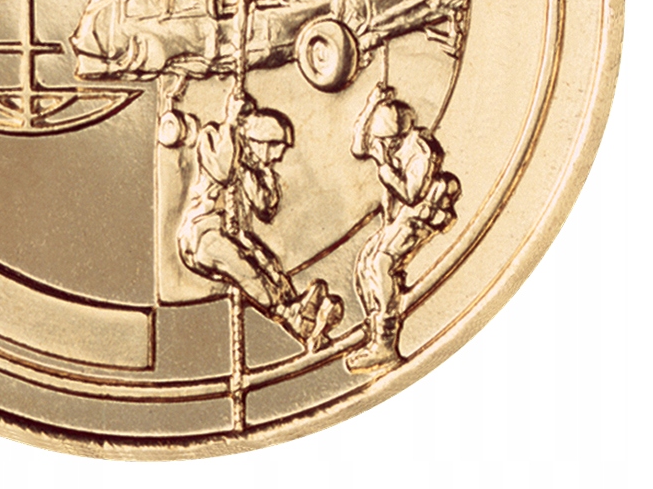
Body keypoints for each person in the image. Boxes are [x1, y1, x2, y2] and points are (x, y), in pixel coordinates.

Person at [162, 89, 342, 351]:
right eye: (276, 148)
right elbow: (222, 171)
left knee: (269, 266)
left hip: (235, 234)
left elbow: (265, 207)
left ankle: (302, 313)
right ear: (260, 141)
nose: (278, 156)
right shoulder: (213, 137)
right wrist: (231, 122)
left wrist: (262, 172)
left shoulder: (252, 166)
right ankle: (293, 317)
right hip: (202, 234)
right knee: (248, 271)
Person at [347, 83, 460, 373]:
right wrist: (371, 105)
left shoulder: (421, 151)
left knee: (382, 263)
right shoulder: (385, 139)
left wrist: (384, 166)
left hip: (421, 213)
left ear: (400, 136)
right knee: (365, 264)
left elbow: (412, 194)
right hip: (399, 215)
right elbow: (358, 148)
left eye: (389, 142)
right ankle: (375, 334)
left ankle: (385, 343)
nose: (382, 147)